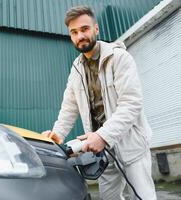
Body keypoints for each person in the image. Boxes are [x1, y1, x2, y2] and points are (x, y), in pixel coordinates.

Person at [42, 6, 157, 200]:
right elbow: (69, 107)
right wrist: (56, 135)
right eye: (74, 32)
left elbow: (131, 103)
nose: (80, 36)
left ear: (96, 29)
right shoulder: (76, 69)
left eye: (84, 29)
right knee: (109, 197)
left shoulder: (119, 58)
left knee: (143, 197)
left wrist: (103, 135)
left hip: (131, 146)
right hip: (101, 150)